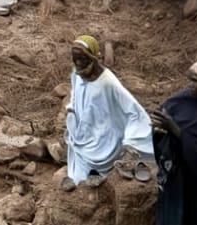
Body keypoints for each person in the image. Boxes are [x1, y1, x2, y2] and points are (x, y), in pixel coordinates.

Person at [63, 35, 153, 190]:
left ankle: (101, 170)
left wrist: (130, 141)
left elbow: (134, 112)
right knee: (76, 149)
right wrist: (72, 110)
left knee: (99, 154)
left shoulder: (107, 82)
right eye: (75, 59)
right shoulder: (77, 73)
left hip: (106, 137)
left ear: (92, 58)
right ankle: (82, 173)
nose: (78, 63)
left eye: (82, 59)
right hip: (85, 130)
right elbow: (76, 95)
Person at [152, 59, 197, 224]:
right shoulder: (182, 99)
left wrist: (176, 130)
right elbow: (162, 116)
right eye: (189, 79)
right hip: (177, 180)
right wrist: (159, 129)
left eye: (196, 81)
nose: (190, 85)